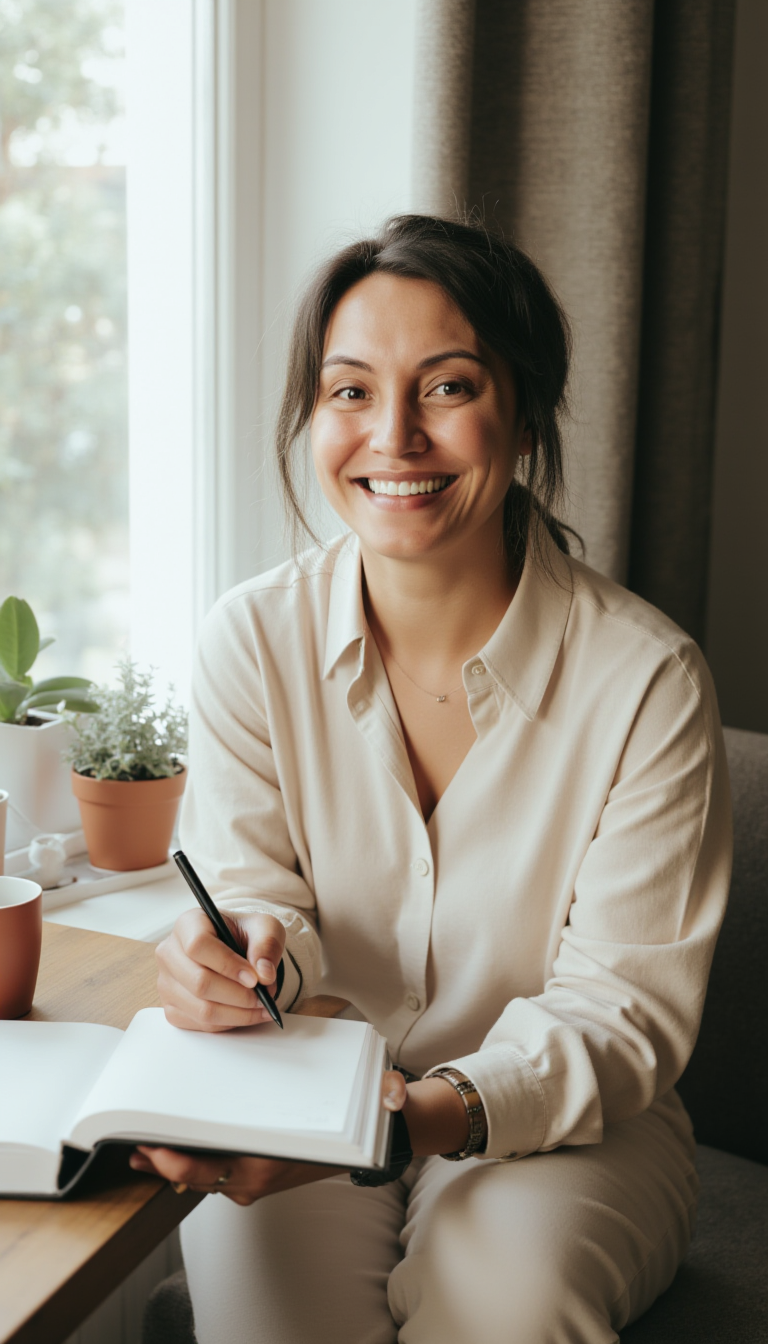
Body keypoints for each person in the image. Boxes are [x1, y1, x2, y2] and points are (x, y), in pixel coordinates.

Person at [130, 215, 732, 1344]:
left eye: (446, 387)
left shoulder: (648, 683)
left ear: (525, 405)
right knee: (268, 1318)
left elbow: (623, 1013)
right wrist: (244, 956)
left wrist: (420, 1119)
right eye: (350, 391)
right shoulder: (249, 641)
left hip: (578, 1129)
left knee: (501, 1301)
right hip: (302, 1101)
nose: (392, 435)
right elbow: (267, 901)